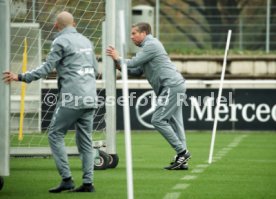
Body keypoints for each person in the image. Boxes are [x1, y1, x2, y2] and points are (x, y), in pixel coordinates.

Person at [3, 11, 98, 192]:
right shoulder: (87, 41)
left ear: (56, 25)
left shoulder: (60, 41)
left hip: (72, 96)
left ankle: (67, 179)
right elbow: (95, 68)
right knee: (85, 141)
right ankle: (88, 183)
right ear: (75, 23)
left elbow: (47, 68)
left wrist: (21, 76)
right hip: (90, 96)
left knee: (55, 134)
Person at [106, 22, 191, 170]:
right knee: (177, 124)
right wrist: (119, 65)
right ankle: (182, 160)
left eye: (134, 33)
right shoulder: (148, 47)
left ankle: (182, 152)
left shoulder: (151, 45)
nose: (131, 37)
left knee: (157, 120)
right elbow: (137, 71)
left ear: (143, 33)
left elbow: (133, 63)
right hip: (175, 86)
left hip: (171, 86)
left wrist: (118, 58)